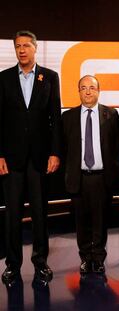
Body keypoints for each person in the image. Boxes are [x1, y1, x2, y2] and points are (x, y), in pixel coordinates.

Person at [0, 30, 62, 285]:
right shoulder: (3, 79)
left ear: (35, 48)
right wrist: (0, 154)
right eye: (18, 46)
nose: (22, 50)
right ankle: (12, 265)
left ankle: (41, 263)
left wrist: (55, 152)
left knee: (39, 213)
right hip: (12, 159)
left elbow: (55, 118)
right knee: (12, 214)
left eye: (26, 45)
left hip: (39, 157)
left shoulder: (49, 77)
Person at [62, 75, 119, 275]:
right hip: (78, 177)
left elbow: (117, 146)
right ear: (78, 92)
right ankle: (85, 258)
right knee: (81, 221)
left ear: (98, 90)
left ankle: (98, 258)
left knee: (100, 221)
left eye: (92, 88)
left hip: (102, 177)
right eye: (83, 88)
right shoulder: (68, 117)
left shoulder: (111, 115)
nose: (88, 91)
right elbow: (64, 148)